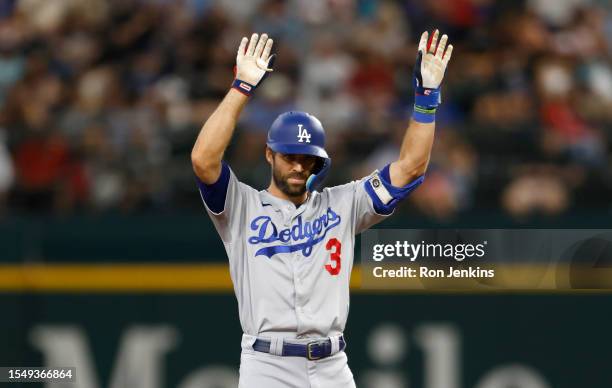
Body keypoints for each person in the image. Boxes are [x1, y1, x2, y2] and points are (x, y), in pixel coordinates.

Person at [191, 31, 453, 388]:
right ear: (270, 154)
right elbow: (203, 160)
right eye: (289, 156)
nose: (298, 166)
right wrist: (241, 88)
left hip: (332, 365)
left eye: (307, 159)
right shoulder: (240, 206)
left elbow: (410, 168)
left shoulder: (343, 204)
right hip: (268, 365)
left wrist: (427, 97)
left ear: (320, 163)